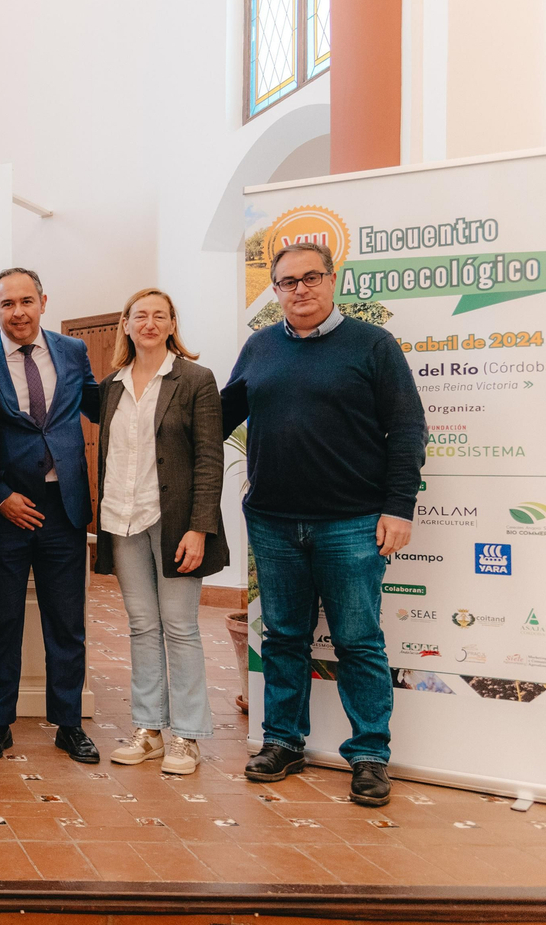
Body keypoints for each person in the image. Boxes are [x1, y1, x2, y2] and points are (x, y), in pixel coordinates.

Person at [222, 242, 424, 807]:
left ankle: (369, 755)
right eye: (288, 282)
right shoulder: (259, 346)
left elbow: (407, 428)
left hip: (352, 522)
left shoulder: (373, 344)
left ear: (333, 280)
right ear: (276, 291)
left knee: (358, 641)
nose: (300, 289)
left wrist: (399, 506)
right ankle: (283, 742)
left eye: (311, 278)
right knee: (284, 637)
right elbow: (219, 415)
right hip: (273, 521)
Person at [93, 288, 228, 776]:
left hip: (174, 523)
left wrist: (199, 528)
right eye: (140, 316)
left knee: (180, 626)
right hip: (122, 519)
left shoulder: (195, 379)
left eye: (159, 316)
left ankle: (187, 737)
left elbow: (210, 457)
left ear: (172, 324)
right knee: (142, 625)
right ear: (126, 325)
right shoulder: (111, 385)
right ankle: (149, 730)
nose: (149, 323)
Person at [0, 267, 102, 764]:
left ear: (43, 302)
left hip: (63, 507)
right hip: (3, 510)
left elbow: (98, 405)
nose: (18, 312)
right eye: (7, 304)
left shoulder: (72, 351)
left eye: (26, 301)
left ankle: (69, 724)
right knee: (0, 623)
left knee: (67, 624)